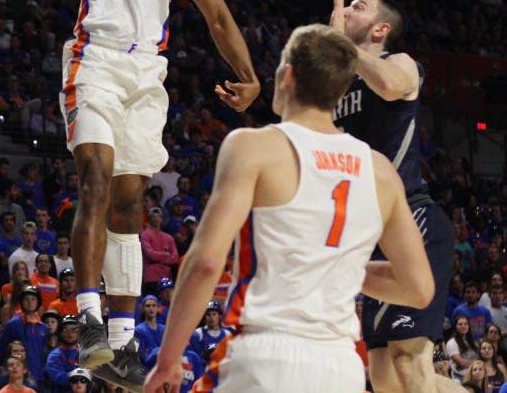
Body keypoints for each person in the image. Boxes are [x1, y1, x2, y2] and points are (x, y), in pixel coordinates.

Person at [44, 0, 260, 391]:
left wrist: (249, 77)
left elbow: (217, 17)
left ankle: (120, 345)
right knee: (93, 177)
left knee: (130, 202)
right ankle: (86, 327)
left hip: (147, 76)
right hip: (95, 61)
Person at [142, 24, 434, 393]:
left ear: (288, 74)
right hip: (341, 366)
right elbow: (418, 288)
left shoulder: (254, 146)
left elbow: (204, 264)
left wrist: (168, 361)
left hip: (265, 354)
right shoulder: (381, 171)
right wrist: (336, 264)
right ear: (342, 90)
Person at [330, 0, 457, 393]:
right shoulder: (339, 84)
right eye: (347, 6)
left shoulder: (399, 62)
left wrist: (342, 47)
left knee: (408, 360)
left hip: (410, 217)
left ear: (381, 28)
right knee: (383, 373)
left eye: (358, 6)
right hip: (369, 230)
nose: (348, 11)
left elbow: (387, 85)